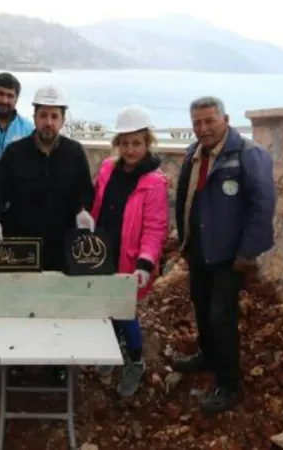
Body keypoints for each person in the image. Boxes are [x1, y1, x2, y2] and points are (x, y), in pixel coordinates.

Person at [0, 85, 95, 383]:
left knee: (58, 304)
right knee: (22, 302)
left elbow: (85, 189)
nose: (48, 122)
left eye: (54, 116)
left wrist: (83, 209)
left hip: (61, 245)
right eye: (43, 115)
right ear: (34, 117)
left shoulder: (74, 153)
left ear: (62, 119)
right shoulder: (15, 152)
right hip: (23, 244)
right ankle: (17, 357)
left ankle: (57, 361)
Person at [173, 96, 275, 415]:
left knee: (221, 316)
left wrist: (248, 252)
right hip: (200, 248)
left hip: (231, 255)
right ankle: (207, 355)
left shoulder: (248, 154)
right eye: (196, 123)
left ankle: (229, 384)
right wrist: (185, 241)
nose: (202, 129)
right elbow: (188, 200)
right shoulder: (194, 153)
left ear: (225, 119)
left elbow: (263, 206)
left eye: (209, 121)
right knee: (201, 305)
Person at [90, 105, 169, 398]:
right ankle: (113, 352)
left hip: (130, 260)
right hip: (101, 253)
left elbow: (156, 227)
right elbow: (96, 203)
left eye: (137, 143)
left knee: (125, 313)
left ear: (147, 143)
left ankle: (135, 361)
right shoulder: (109, 169)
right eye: (125, 143)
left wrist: (145, 263)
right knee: (105, 308)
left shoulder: (154, 183)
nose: (131, 149)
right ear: (117, 144)